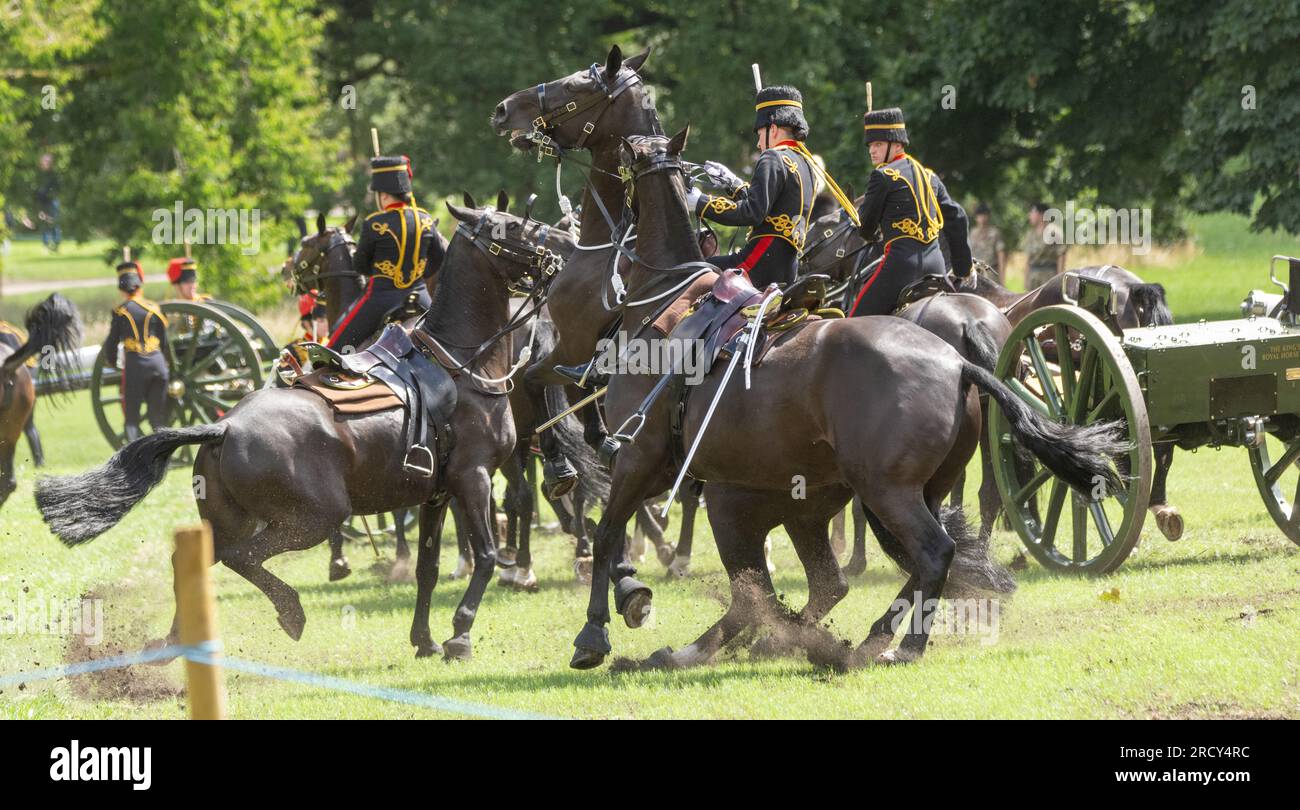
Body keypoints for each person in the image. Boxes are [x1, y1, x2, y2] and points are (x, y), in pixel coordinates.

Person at [686, 85, 820, 289]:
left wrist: (700, 202)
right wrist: (734, 183)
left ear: (772, 129)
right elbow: (770, 207)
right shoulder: (807, 164)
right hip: (786, 269)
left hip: (758, 263)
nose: (758, 143)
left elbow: (752, 212)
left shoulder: (773, 157)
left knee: (687, 271)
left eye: (759, 134)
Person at [848, 107, 971, 316]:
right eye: (870, 145)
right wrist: (962, 269)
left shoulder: (883, 176)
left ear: (897, 144)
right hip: (937, 268)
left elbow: (865, 224)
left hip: (900, 269)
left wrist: (871, 234)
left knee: (851, 325)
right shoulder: (930, 175)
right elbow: (957, 217)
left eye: (878, 144)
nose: (872, 150)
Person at [327, 155, 436, 353]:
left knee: (335, 349)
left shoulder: (374, 224)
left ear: (384, 195)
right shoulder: (426, 220)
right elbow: (438, 260)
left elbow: (360, 266)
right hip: (421, 298)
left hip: (380, 300)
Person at [103, 260, 169, 442]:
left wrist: (111, 361)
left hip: (136, 367)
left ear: (122, 289)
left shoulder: (121, 312)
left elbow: (111, 343)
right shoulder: (154, 308)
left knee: (131, 419)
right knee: (157, 419)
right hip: (158, 365)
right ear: (139, 285)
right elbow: (164, 342)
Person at [1022, 202, 1066, 291]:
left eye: (1032, 212)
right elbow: (1028, 258)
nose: (1029, 215)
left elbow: (1061, 255)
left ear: (1041, 214)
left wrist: (1059, 278)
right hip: (1033, 276)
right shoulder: (1030, 234)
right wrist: (1026, 278)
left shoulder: (1054, 232)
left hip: (1049, 275)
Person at [968, 202, 1006, 280]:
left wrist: (1002, 277)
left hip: (990, 272)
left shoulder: (994, 233)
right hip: (975, 272)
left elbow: (1001, 255)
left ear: (988, 216)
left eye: (984, 215)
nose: (982, 218)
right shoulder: (972, 233)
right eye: (980, 215)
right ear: (976, 217)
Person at [34, 153, 60, 253]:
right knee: (44, 222)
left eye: (45, 162)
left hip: (52, 201)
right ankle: (46, 244)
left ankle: (56, 244)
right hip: (43, 201)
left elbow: (55, 189)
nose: (43, 164)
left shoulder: (53, 175)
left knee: (54, 222)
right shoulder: (40, 175)